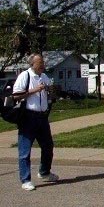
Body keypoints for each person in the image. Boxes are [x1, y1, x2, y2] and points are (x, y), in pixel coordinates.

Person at [13, 53, 58, 191]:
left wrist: (51, 91)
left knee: (48, 146)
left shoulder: (44, 77)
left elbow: (51, 95)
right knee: (25, 151)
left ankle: (44, 172)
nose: (43, 65)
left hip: (42, 117)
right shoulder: (24, 76)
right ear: (32, 64)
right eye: (40, 63)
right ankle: (25, 179)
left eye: (43, 62)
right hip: (28, 117)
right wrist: (34, 90)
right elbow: (16, 95)